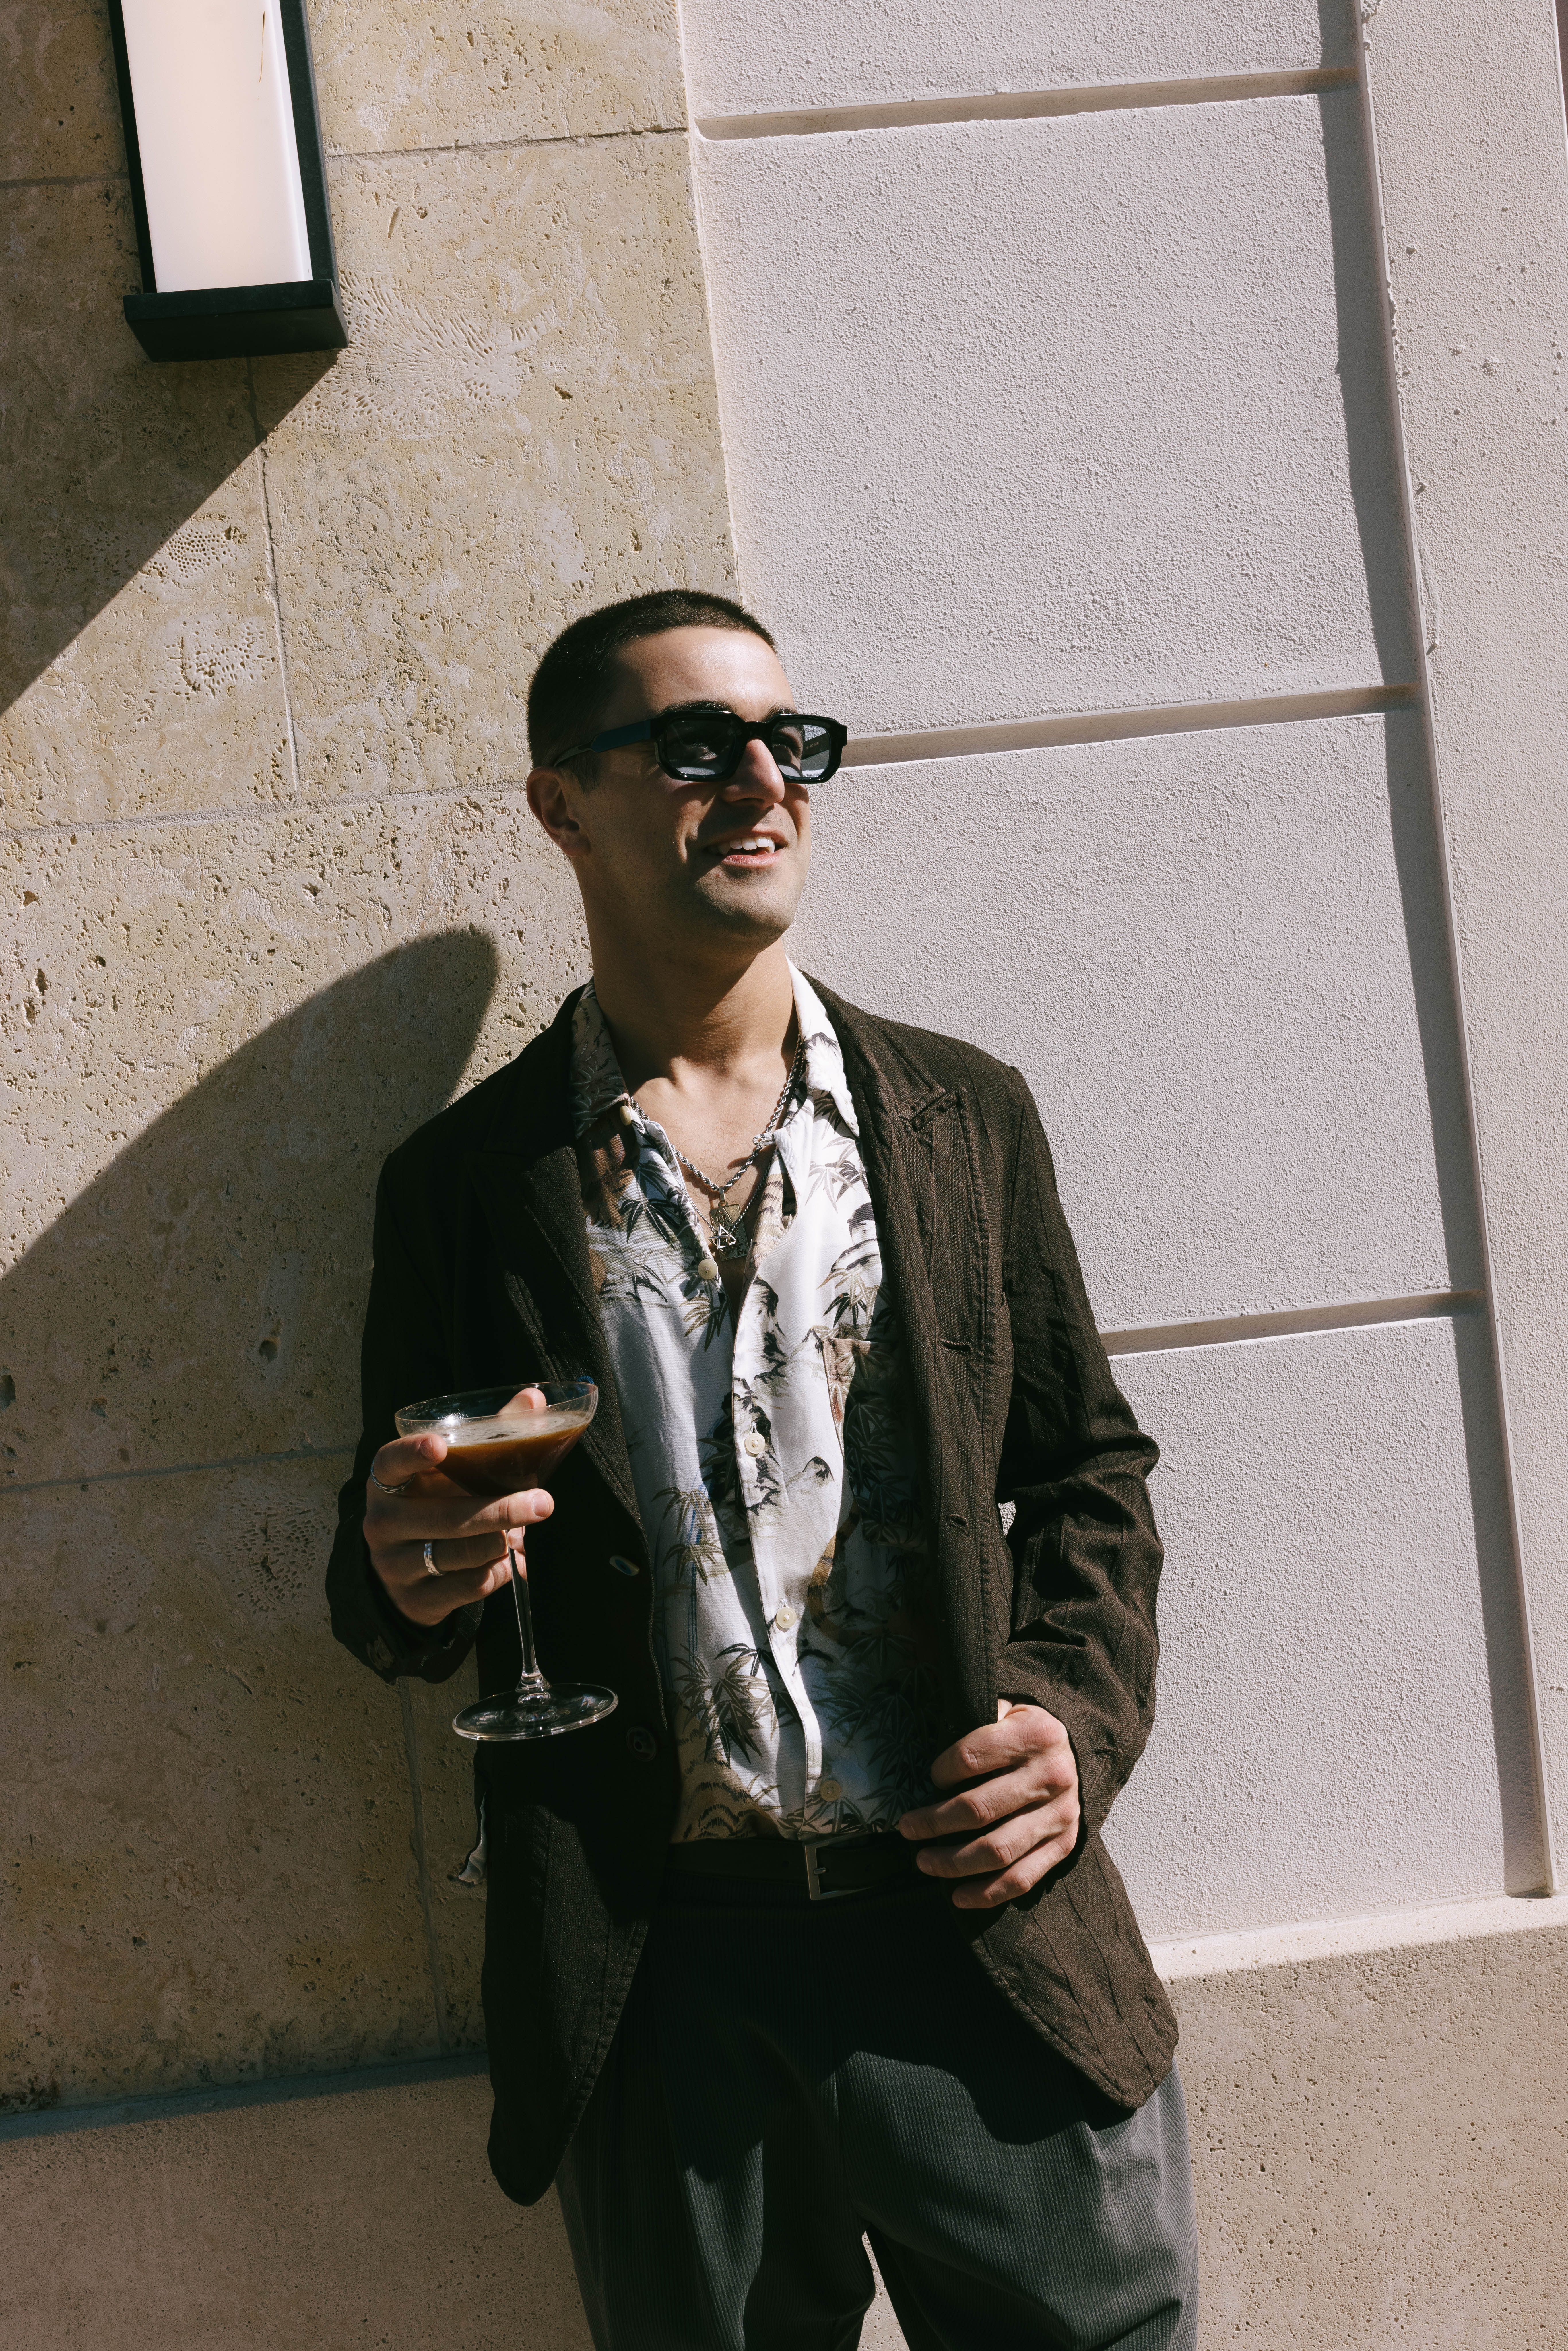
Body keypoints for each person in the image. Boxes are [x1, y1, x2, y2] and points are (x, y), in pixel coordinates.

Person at [326, 588, 1197, 2349]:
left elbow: (1091, 1476)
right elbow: (396, 1551)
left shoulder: (960, 1116)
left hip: (973, 1928)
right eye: (693, 745)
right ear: (559, 804)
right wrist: (403, 1571)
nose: (759, 781)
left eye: (788, 744)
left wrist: (1071, 1726)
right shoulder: (465, 1184)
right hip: (667, 1969)